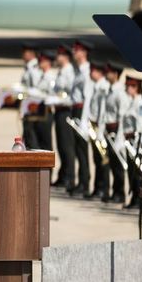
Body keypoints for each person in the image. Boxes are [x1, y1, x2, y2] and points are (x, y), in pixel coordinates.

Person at [68, 40, 94, 196]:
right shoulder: (78, 71)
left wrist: (84, 121)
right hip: (75, 111)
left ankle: (85, 183)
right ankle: (81, 182)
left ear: (84, 53)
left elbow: (88, 97)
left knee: (82, 150)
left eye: (76, 50)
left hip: (81, 112)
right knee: (77, 149)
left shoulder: (86, 72)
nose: (74, 53)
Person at [102, 61, 129, 203]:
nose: (107, 74)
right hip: (109, 130)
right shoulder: (110, 90)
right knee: (112, 163)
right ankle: (115, 191)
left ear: (116, 74)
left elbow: (122, 116)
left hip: (116, 130)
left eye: (110, 72)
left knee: (118, 164)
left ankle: (120, 193)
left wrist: (119, 137)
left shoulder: (120, 93)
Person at [51, 44, 76, 190]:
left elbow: (71, 94)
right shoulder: (61, 71)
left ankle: (70, 177)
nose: (57, 57)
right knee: (61, 145)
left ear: (65, 57)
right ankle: (63, 175)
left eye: (59, 55)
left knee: (67, 146)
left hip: (66, 110)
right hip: (59, 110)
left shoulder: (69, 72)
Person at [85, 60, 110, 200]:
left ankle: (104, 189)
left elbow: (102, 111)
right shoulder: (96, 86)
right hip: (93, 125)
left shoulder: (103, 87)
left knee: (103, 160)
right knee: (96, 158)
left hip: (100, 126)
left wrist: (100, 130)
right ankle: (97, 187)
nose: (91, 73)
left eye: (93, 70)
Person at [123, 76, 142, 209]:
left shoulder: (139, 103)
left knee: (138, 173)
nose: (127, 88)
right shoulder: (132, 101)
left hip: (137, 141)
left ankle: (141, 201)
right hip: (130, 140)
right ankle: (134, 198)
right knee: (132, 171)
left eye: (130, 86)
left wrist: (139, 145)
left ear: (136, 88)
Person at [20, 42, 42, 150]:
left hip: (33, 108)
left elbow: (37, 89)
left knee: (31, 139)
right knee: (27, 138)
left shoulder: (34, 69)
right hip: (28, 107)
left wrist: (23, 91)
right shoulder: (29, 67)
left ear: (31, 54)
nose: (23, 55)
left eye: (25, 52)